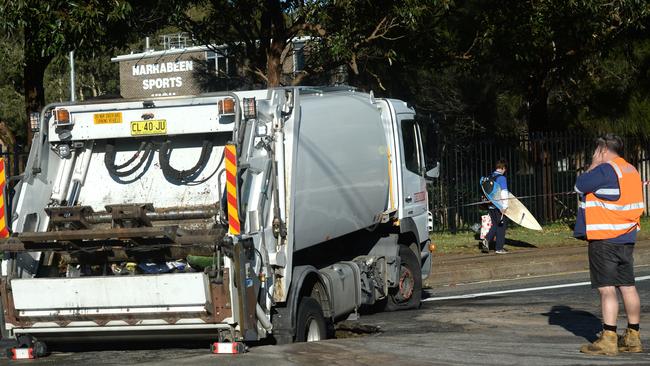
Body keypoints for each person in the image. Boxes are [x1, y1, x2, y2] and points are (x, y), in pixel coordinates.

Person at [574, 134, 644, 355]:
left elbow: (580, 185)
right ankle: (633, 336)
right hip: (626, 237)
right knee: (628, 286)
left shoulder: (605, 170)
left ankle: (609, 338)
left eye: (597, 151)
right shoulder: (630, 170)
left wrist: (594, 164)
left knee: (606, 290)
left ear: (603, 150)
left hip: (605, 237)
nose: (595, 154)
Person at [482, 160, 509, 254]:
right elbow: (504, 192)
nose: (505, 171)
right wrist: (504, 206)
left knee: (495, 224)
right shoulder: (501, 178)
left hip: (490, 205)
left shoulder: (490, 177)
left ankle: (486, 240)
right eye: (505, 169)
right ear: (503, 168)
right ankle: (499, 248)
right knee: (501, 226)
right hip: (499, 205)